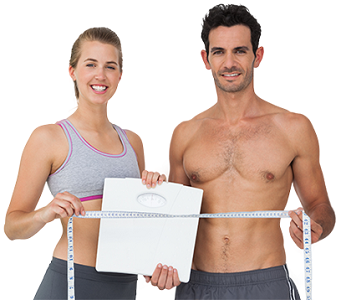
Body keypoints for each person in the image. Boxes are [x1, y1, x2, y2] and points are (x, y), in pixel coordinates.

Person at [148, 4, 336, 299]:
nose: (229, 62)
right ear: (206, 59)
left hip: (266, 282)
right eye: (219, 51)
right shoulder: (185, 134)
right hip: (197, 285)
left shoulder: (293, 128)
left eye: (240, 50)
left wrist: (317, 227)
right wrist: (154, 261)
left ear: (257, 56)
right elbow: (173, 222)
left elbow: (320, 205)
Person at [4, 27, 167, 300]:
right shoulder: (49, 138)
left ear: (119, 76)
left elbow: (139, 227)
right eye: (90, 64)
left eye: (110, 66)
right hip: (71, 280)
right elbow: (12, 227)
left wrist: (155, 193)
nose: (100, 75)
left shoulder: (133, 142)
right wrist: (45, 213)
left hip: (124, 287)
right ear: (72, 71)